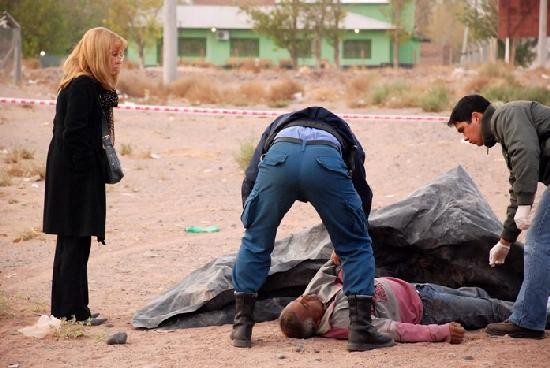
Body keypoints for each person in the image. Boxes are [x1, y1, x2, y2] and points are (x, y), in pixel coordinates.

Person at [230, 106, 394, 351]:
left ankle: (242, 327)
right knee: (355, 247)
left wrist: (251, 220)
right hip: (325, 161)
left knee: (255, 243)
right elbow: (359, 184)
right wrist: (358, 229)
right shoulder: (344, 131)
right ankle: (360, 331)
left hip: (280, 158)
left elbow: (252, 174)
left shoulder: (278, 125)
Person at [43, 27, 127, 325]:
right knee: (74, 242)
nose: (119, 60)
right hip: (75, 177)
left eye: (121, 55)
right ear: (97, 55)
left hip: (72, 174)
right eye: (113, 54)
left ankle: (74, 308)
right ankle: (69, 311)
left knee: (75, 242)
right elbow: (75, 133)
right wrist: (84, 176)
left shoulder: (86, 85)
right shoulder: (81, 86)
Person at [447, 95, 550, 339]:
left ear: (476, 117)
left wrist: (526, 203)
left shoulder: (507, 115)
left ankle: (528, 320)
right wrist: (505, 241)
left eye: (463, 130)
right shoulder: (505, 132)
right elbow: (516, 186)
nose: (465, 138)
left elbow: (526, 153)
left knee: (539, 243)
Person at [280, 252, 514, 344]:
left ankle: (536, 306)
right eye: (303, 306)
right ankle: (536, 315)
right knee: (492, 310)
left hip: (417, 290)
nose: (304, 298)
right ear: (314, 322)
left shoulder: (314, 292)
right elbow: (395, 329)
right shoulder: (344, 322)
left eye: (298, 299)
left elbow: (333, 262)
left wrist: (339, 254)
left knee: (480, 295)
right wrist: (439, 332)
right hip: (427, 310)